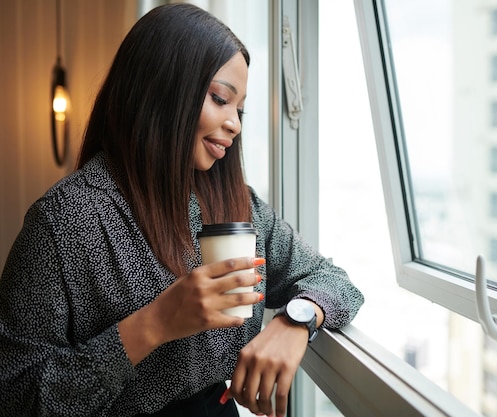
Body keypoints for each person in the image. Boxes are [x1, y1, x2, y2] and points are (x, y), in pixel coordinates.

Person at [0, 4, 364, 417]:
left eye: (239, 110)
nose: (235, 125)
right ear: (162, 86)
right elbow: (14, 395)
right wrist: (153, 323)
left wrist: (295, 321)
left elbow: (335, 282)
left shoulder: (236, 205)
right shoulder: (63, 221)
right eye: (221, 99)